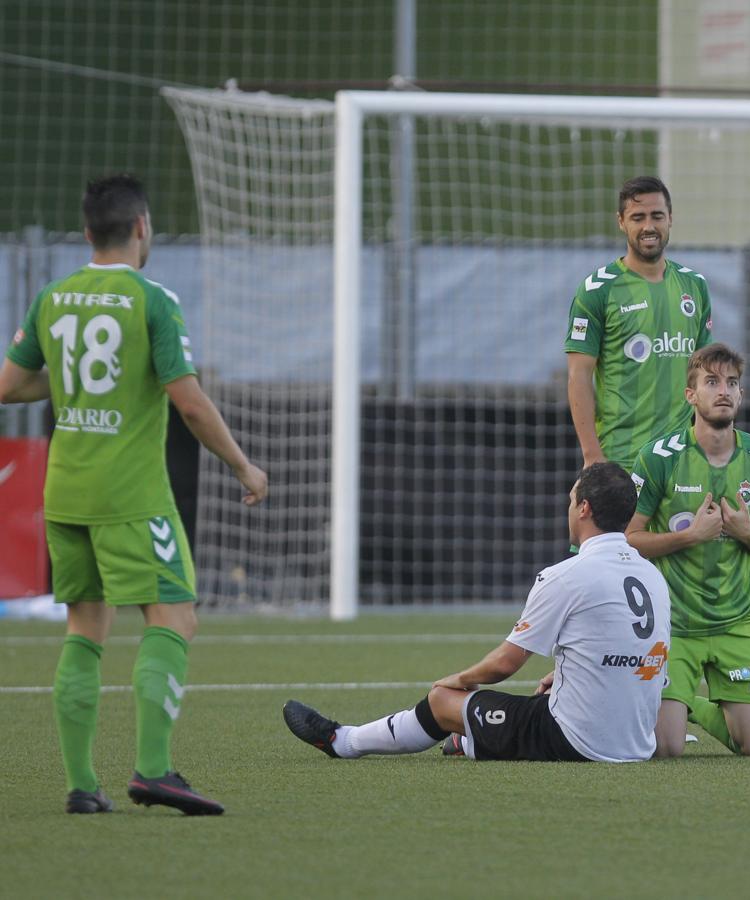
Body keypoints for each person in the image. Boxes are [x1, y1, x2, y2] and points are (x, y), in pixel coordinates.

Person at [0, 174, 269, 815]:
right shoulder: (153, 300)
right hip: (132, 497)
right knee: (174, 617)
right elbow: (190, 402)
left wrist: (72, 387)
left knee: (85, 629)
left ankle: (80, 786)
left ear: (88, 232)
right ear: (142, 228)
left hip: (64, 494)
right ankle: (153, 770)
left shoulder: (53, 298)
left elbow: (9, 386)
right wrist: (242, 466)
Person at [283, 463, 671, 764]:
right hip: (638, 743)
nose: (568, 509)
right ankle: (468, 738)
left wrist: (457, 680)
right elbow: (649, 658)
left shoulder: (567, 575)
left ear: (584, 508)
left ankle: (342, 741)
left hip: (578, 742)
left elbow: (504, 665)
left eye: (571, 502)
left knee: (441, 702)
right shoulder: (652, 575)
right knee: (539, 700)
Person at [626, 343, 750, 757]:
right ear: (690, 395)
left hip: (734, 623)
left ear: (741, 395)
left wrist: (748, 532)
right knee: (665, 749)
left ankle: (685, 706)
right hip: (672, 627)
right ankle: (681, 708)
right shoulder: (658, 458)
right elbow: (628, 540)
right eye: (711, 382)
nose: (724, 391)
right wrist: (688, 537)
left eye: (732, 383)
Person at [564, 175, 713, 467]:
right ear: (621, 221)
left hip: (681, 463)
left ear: (670, 219)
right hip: (620, 460)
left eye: (657, 216)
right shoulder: (597, 289)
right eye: (637, 217)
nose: (648, 226)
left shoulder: (694, 285)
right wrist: (592, 456)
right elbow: (578, 376)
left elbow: (704, 373)